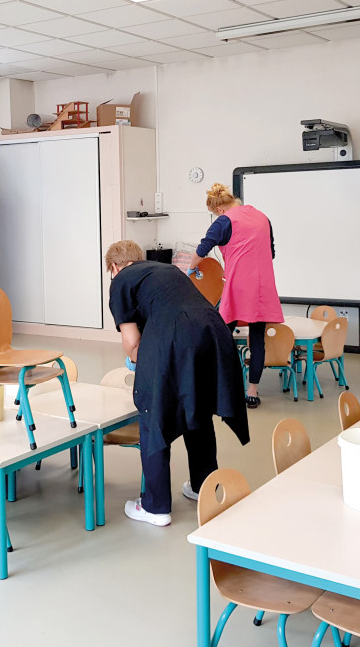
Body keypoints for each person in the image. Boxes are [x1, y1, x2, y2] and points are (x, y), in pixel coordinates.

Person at [106, 240, 249, 527]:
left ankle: (155, 506)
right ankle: (203, 487)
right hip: (214, 332)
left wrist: (142, 367)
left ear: (114, 267)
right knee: (198, 405)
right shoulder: (166, 271)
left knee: (154, 414)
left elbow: (132, 342)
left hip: (176, 338)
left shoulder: (121, 281)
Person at [189, 183, 282, 408]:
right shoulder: (262, 217)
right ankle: (252, 392)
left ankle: (221, 386)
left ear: (219, 210)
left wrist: (191, 270)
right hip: (263, 287)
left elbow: (202, 250)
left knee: (220, 336)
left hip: (238, 287)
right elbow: (271, 253)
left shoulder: (224, 221)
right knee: (257, 339)